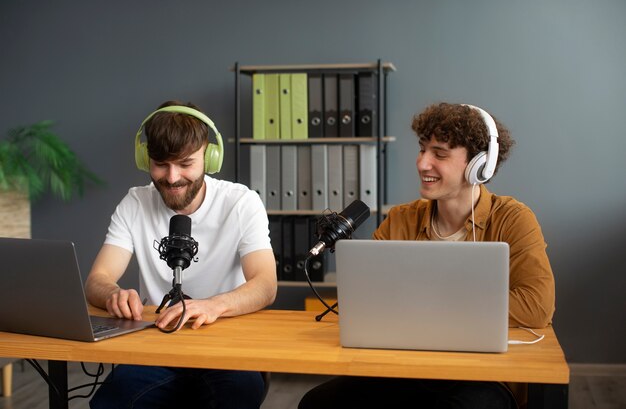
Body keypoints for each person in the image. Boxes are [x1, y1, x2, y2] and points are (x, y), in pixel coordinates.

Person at [299, 102, 555, 409]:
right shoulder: (401, 219)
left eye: (440, 154)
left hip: (484, 376)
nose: (423, 163)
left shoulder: (514, 219)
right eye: (422, 149)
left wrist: (430, 303)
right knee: (317, 403)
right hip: (403, 369)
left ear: (479, 165)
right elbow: (369, 299)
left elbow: (537, 306)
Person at [85, 100, 277, 409]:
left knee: (238, 395)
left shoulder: (241, 203)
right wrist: (112, 295)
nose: (172, 177)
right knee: (111, 402)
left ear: (210, 157)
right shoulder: (135, 203)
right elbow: (98, 279)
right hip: (156, 348)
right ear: (144, 159)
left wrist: (213, 306)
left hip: (226, 349)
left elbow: (266, 285)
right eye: (160, 164)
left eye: (186, 163)